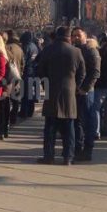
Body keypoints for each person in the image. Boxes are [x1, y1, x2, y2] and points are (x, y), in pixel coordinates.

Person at [37, 26, 85, 165]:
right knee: (69, 126)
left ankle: (49, 156)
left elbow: (40, 70)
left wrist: (45, 85)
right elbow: (82, 73)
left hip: (52, 90)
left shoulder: (48, 50)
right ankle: (68, 157)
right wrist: (76, 86)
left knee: (50, 126)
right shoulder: (76, 51)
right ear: (69, 37)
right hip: (69, 91)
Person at [72, 27, 101, 151]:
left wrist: (85, 88)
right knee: (77, 121)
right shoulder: (74, 50)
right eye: (74, 35)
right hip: (75, 91)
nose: (76, 38)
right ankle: (78, 146)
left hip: (86, 92)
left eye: (79, 35)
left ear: (85, 35)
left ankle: (88, 148)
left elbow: (95, 72)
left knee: (87, 121)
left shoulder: (91, 51)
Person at [4, 30, 25, 125]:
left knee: (6, 99)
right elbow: (22, 64)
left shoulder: (6, 48)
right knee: (16, 99)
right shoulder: (19, 49)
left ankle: (7, 119)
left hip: (7, 76)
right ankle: (13, 119)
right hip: (17, 76)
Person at [19, 31, 39, 119]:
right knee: (31, 93)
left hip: (27, 71)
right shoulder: (34, 46)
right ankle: (30, 111)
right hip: (33, 70)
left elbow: (24, 60)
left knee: (25, 93)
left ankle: (24, 111)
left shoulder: (26, 47)